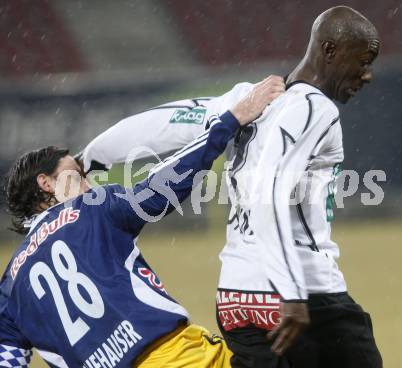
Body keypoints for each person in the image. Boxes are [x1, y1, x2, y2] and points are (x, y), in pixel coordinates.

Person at [80, 6, 383, 368]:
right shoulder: (315, 108)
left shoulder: (250, 98)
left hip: (235, 299)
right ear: (330, 51)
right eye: (363, 61)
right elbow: (267, 191)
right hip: (301, 292)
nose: (367, 75)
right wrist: (289, 291)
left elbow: (167, 123)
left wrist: (92, 155)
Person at [0, 76, 285, 368]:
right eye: (78, 174)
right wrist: (231, 120)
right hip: (176, 360)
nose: (88, 185)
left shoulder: (10, 290)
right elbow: (163, 186)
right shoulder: (90, 208)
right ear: (45, 183)